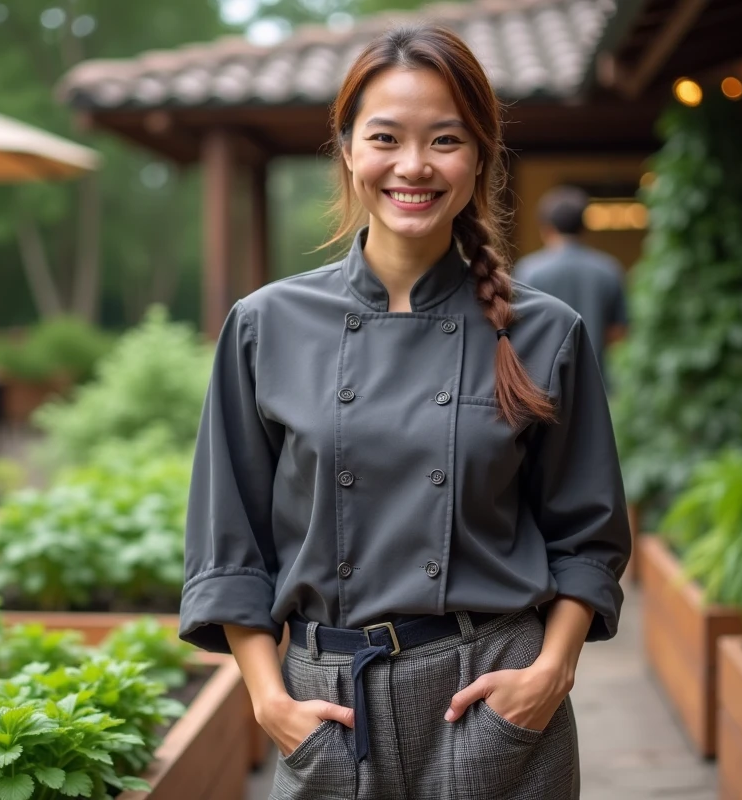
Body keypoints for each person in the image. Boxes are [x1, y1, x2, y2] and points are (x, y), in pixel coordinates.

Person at [179, 24, 630, 800]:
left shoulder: (547, 330)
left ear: (480, 155)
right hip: (329, 709)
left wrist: (549, 676)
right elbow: (230, 546)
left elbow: (588, 537)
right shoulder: (264, 325)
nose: (414, 166)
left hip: (494, 694)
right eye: (386, 137)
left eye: (445, 140)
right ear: (349, 150)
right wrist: (270, 701)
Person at [513, 186, 628, 381]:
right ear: (584, 227)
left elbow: (517, 332)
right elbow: (618, 333)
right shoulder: (609, 269)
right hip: (596, 380)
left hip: (542, 383)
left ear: (546, 228)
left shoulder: (529, 271)